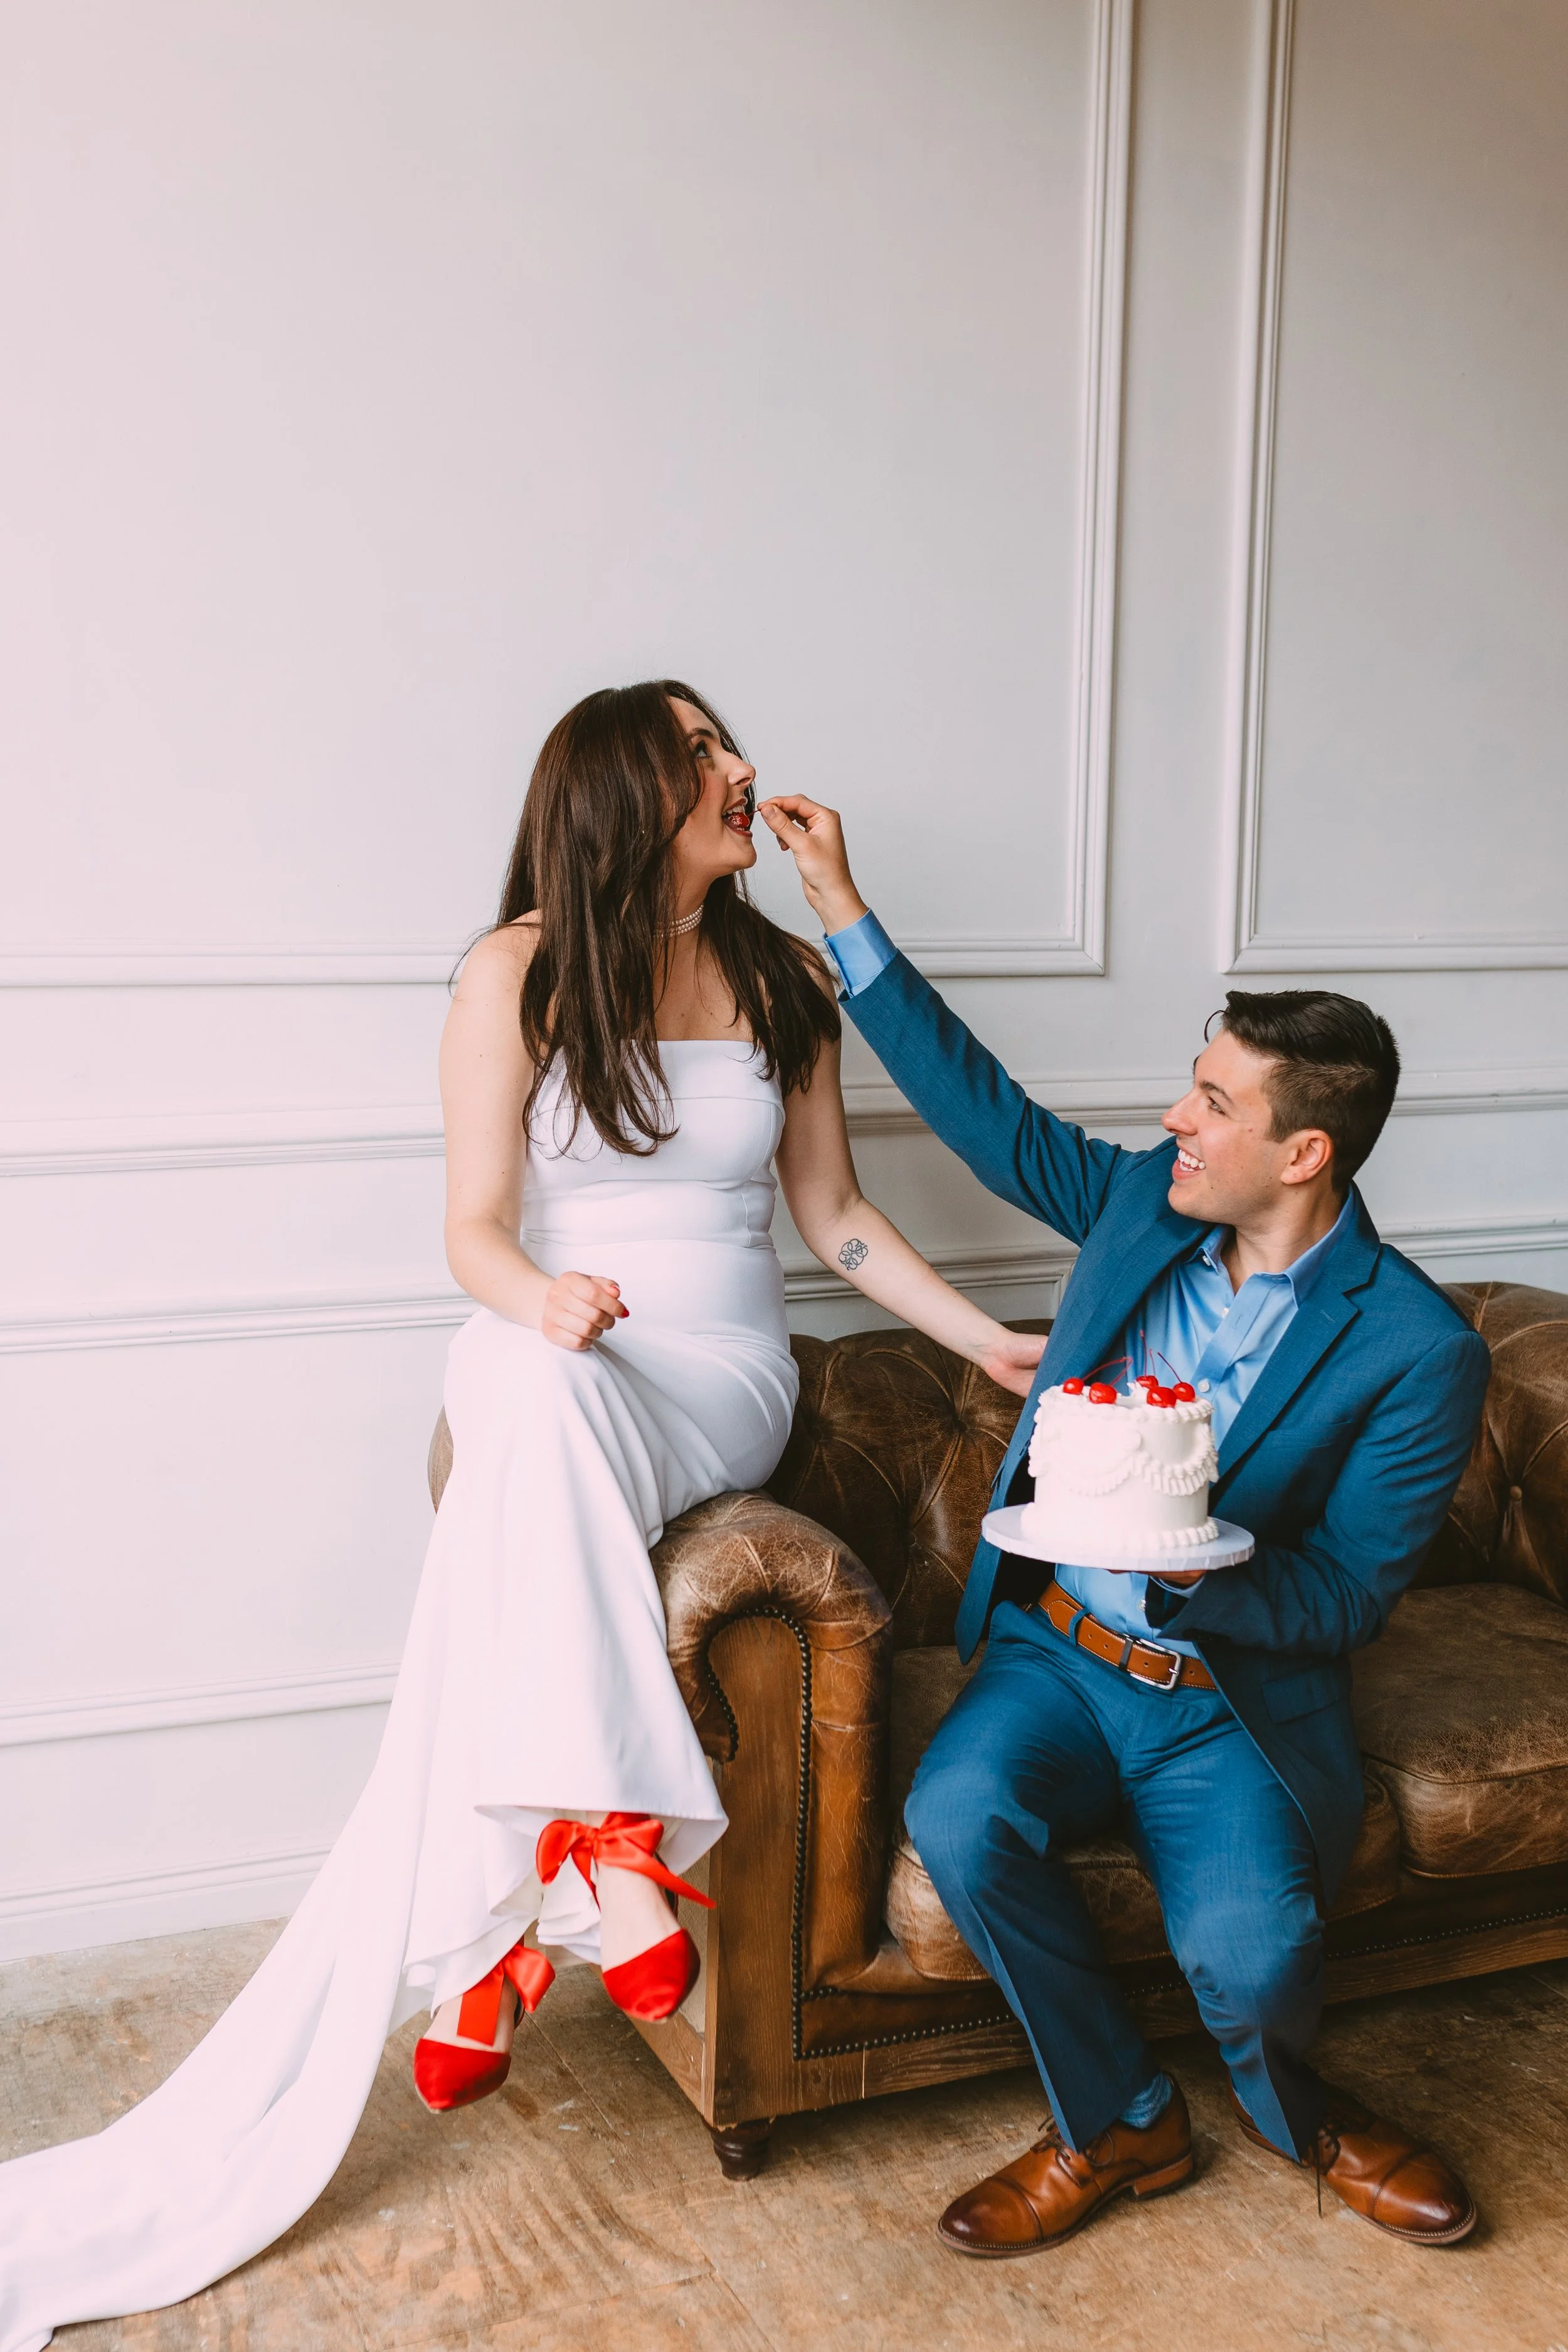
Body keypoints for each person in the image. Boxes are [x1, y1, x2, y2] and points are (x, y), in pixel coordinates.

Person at [0, 685, 1044, 2352]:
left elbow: (834, 1214)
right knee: (517, 1377)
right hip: (560, 1344)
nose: (741, 770)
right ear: (623, 791)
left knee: (520, 1402)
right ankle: (598, 1845)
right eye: (700, 753)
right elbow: (472, 1228)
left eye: (730, 744)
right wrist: (543, 1298)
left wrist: (979, 1335)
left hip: (717, 1379)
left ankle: (514, 1909)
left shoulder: (783, 978)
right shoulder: (514, 971)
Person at [758, 788, 1489, 2254]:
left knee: (1255, 1956)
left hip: (1225, 1695)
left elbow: (1347, 1593)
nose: (1174, 1118)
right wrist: (838, 901)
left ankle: (1303, 2118)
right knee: (959, 1820)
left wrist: (1196, 1579)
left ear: (1302, 1153)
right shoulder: (1143, 1206)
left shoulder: (1415, 1348)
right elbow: (990, 1120)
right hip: (1053, 1657)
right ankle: (1117, 2123)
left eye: (1212, 1103)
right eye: (1188, 1087)